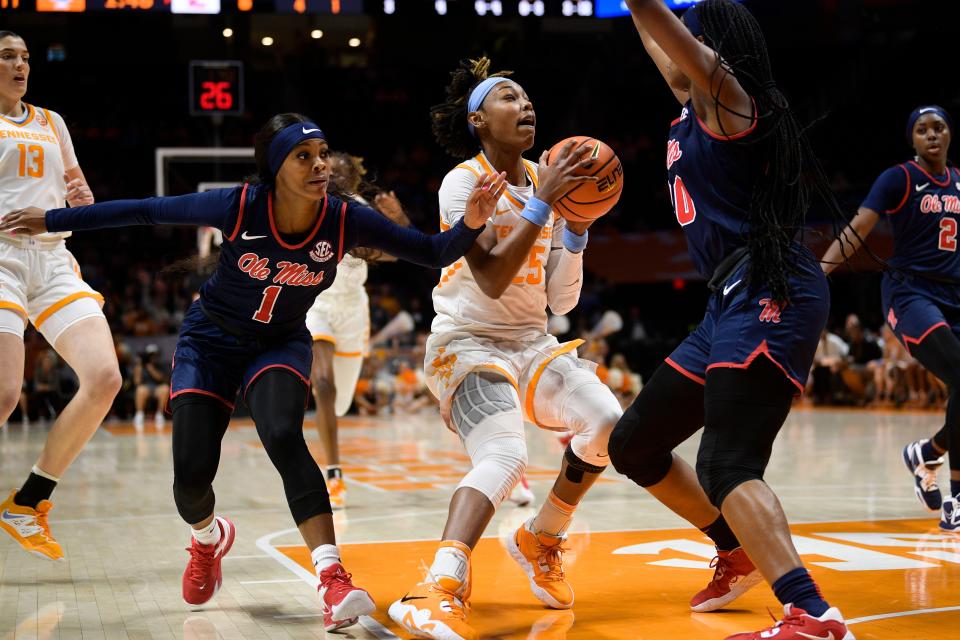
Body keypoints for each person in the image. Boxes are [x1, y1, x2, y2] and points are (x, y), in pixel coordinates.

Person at [0, 112, 505, 631]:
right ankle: (207, 539)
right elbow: (146, 211)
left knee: (285, 435)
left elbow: (431, 251)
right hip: (209, 343)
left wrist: (472, 221)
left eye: (323, 153)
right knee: (190, 482)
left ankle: (333, 579)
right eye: (303, 157)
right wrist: (52, 220)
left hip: (280, 342)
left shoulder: (342, 217)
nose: (320, 165)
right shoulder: (237, 205)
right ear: (274, 167)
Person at [609, 2, 855, 638]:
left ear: (712, 45)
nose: (678, 47)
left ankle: (813, 613)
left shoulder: (734, 100)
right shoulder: (695, 104)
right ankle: (735, 550)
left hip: (771, 286)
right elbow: (661, 47)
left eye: (690, 33)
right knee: (633, 443)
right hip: (728, 298)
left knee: (728, 462)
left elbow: (669, 35)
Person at [388, 57, 624, 640]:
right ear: (478, 119)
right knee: (505, 457)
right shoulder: (464, 183)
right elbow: (491, 279)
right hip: (466, 342)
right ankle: (437, 586)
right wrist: (543, 203)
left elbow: (562, 301)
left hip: (531, 341)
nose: (527, 107)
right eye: (510, 98)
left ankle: (541, 536)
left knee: (609, 425)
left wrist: (576, 229)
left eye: (528, 99)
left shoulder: (542, 188)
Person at [0, 30, 122, 562]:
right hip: (1, 256)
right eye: (8, 56)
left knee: (104, 378)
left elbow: (76, 187)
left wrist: (80, 197)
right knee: (4, 394)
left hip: (51, 260)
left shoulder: (53, 122)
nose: (20, 65)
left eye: (24, 58)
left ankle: (28, 503)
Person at [822, 104, 960, 532]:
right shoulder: (899, 178)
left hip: (953, 295)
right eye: (922, 130)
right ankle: (954, 498)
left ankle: (926, 455)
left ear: (949, 135)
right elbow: (860, 227)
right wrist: (819, 272)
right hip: (910, 293)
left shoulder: (958, 181)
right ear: (912, 140)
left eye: (939, 127)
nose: (932, 135)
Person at [305, 150, 409, 509]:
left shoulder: (361, 211)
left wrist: (395, 225)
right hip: (316, 302)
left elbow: (397, 253)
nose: (332, 177)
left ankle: (328, 423)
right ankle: (334, 474)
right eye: (327, 171)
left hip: (352, 309)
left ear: (352, 179)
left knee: (340, 401)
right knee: (323, 385)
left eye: (339, 172)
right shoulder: (305, 204)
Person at [133, 343, 170, 431]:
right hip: (146, 388)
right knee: (140, 389)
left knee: (165, 388)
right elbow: (137, 382)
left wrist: (151, 369)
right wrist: (139, 366)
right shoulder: (140, 366)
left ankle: (159, 414)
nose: (153, 357)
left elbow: (162, 379)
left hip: (158, 388)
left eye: (155, 355)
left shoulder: (162, 365)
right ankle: (139, 414)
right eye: (151, 356)